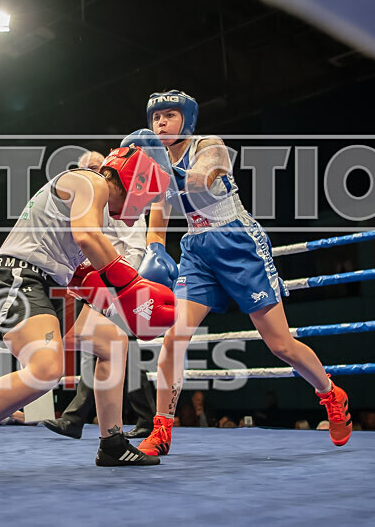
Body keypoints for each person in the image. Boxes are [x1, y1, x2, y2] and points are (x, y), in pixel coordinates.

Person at [0, 142, 176, 483]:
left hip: (52, 286)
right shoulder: (90, 182)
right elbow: (86, 237)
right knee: (45, 369)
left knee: (113, 341)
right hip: (17, 278)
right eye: (146, 198)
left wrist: (126, 301)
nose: (142, 207)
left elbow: (83, 269)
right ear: (136, 183)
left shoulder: (94, 206)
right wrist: (133, 288)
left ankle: (111, 443)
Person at [131, 90, 352, 456]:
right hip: (198, 251)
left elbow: (201, 179)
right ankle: (162, 429)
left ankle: (331, 394)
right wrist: (155, 247)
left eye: (169, 115)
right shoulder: (157, 164)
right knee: (174, 338)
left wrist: (162, 169)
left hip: (237, 243)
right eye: (155, 118)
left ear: (186, 120)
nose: (160, 123)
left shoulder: (208, 145)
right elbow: (159, 211)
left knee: (280, 344)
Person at [43, 150, 157, 440]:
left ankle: (79, 419)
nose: (93, 174)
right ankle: (82, 419)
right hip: (96, 281)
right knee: (108, 349)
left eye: (97, 168)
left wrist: (125, 285)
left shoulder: (123, 205)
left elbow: (134, 249)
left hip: (117, 282)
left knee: (112, 348)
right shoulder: (90, 202)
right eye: (87, 169)